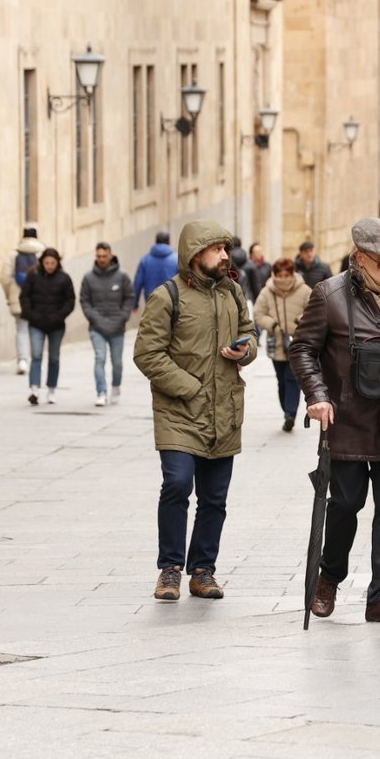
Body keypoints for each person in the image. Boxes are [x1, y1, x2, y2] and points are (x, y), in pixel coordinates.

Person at [289, 218, 380, 624]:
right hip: (349, 422)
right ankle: (329, 576)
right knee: (346, 504)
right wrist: (318, 397)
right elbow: (302, 349)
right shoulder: (329, 295)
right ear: (359, 259)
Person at [134, 220, 257, 603]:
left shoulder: (233, 292)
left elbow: (250, 333)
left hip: (224, 410)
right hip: (179, 410)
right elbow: (146, 353)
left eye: (226, 249)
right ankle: (170, 569)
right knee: (176, 484)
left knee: (215, 498)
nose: (226, 255)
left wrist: (245, 350)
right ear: (195, 253)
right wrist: (188, 387)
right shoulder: (166, 297)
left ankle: (203, 571)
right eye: (217, 249)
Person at [253, 257, 311, 432]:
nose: (283, 278)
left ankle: (290, 414)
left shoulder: (304, 290)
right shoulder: (267, 292)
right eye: (280, 274)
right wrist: (272, 325)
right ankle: (286, 410)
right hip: (276, 342)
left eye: (287, 274)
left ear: (292, 273)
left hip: (297, 341)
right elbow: (258, 313)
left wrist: (300, 320)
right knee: (281, 381)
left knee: (292, 378)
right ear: (275, 274)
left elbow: (314, 310)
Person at [80, 242, 135, 408]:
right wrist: (93, 317)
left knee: (117, 362)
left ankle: (116, 387)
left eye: (104, 256)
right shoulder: (88, 278)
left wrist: (123, 316)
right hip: (97, 327)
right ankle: (101, 392)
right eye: (99, 256)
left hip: (117, 326)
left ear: (110, 255)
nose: (102, 259)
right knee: (100, 358)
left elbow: (129, 297)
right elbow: (84, 300)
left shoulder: (122, 276)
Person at [19, 247, 76, 405]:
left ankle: (51, 389)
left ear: (57, 263)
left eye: (52, 263)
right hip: (36, 323)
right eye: (46, 263)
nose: (49, 266)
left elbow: (70, 301)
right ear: (41, 263)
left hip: (56, 324)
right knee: (36, 355)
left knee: (54, 357)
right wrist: (32, 315)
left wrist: (58, 316)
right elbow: (24, 297)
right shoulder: (33, 276)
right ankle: (34, 389)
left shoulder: (64, 279)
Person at [0, 224, 44, 375]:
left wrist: (9, 295)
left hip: (18, 298)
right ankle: (36, 358)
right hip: (38, 299)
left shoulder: (13, 255)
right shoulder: (42, 253)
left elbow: (5, 278)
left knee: (21, 329)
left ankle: (22, 360)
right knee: (37, 329)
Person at [133, 231, 179, 308]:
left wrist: (135, 304)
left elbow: (137, 283)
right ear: (169, 241)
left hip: (152, 302)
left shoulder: (145, 260)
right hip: (172, 302)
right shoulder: (177, 259)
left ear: (156, 242)